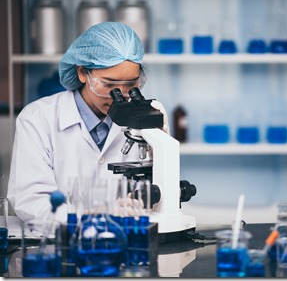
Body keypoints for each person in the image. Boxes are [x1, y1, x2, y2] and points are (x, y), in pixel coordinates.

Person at [7, 22, 169, 223]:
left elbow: (160, 186)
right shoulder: (37, 119)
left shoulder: (148, 114)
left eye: (131, 85)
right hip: (64, 242)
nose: (120, 95)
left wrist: (142, 198)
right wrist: (91, 219)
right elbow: (31, 201)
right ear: (82, 73)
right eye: (109, 84)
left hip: (126, 240)